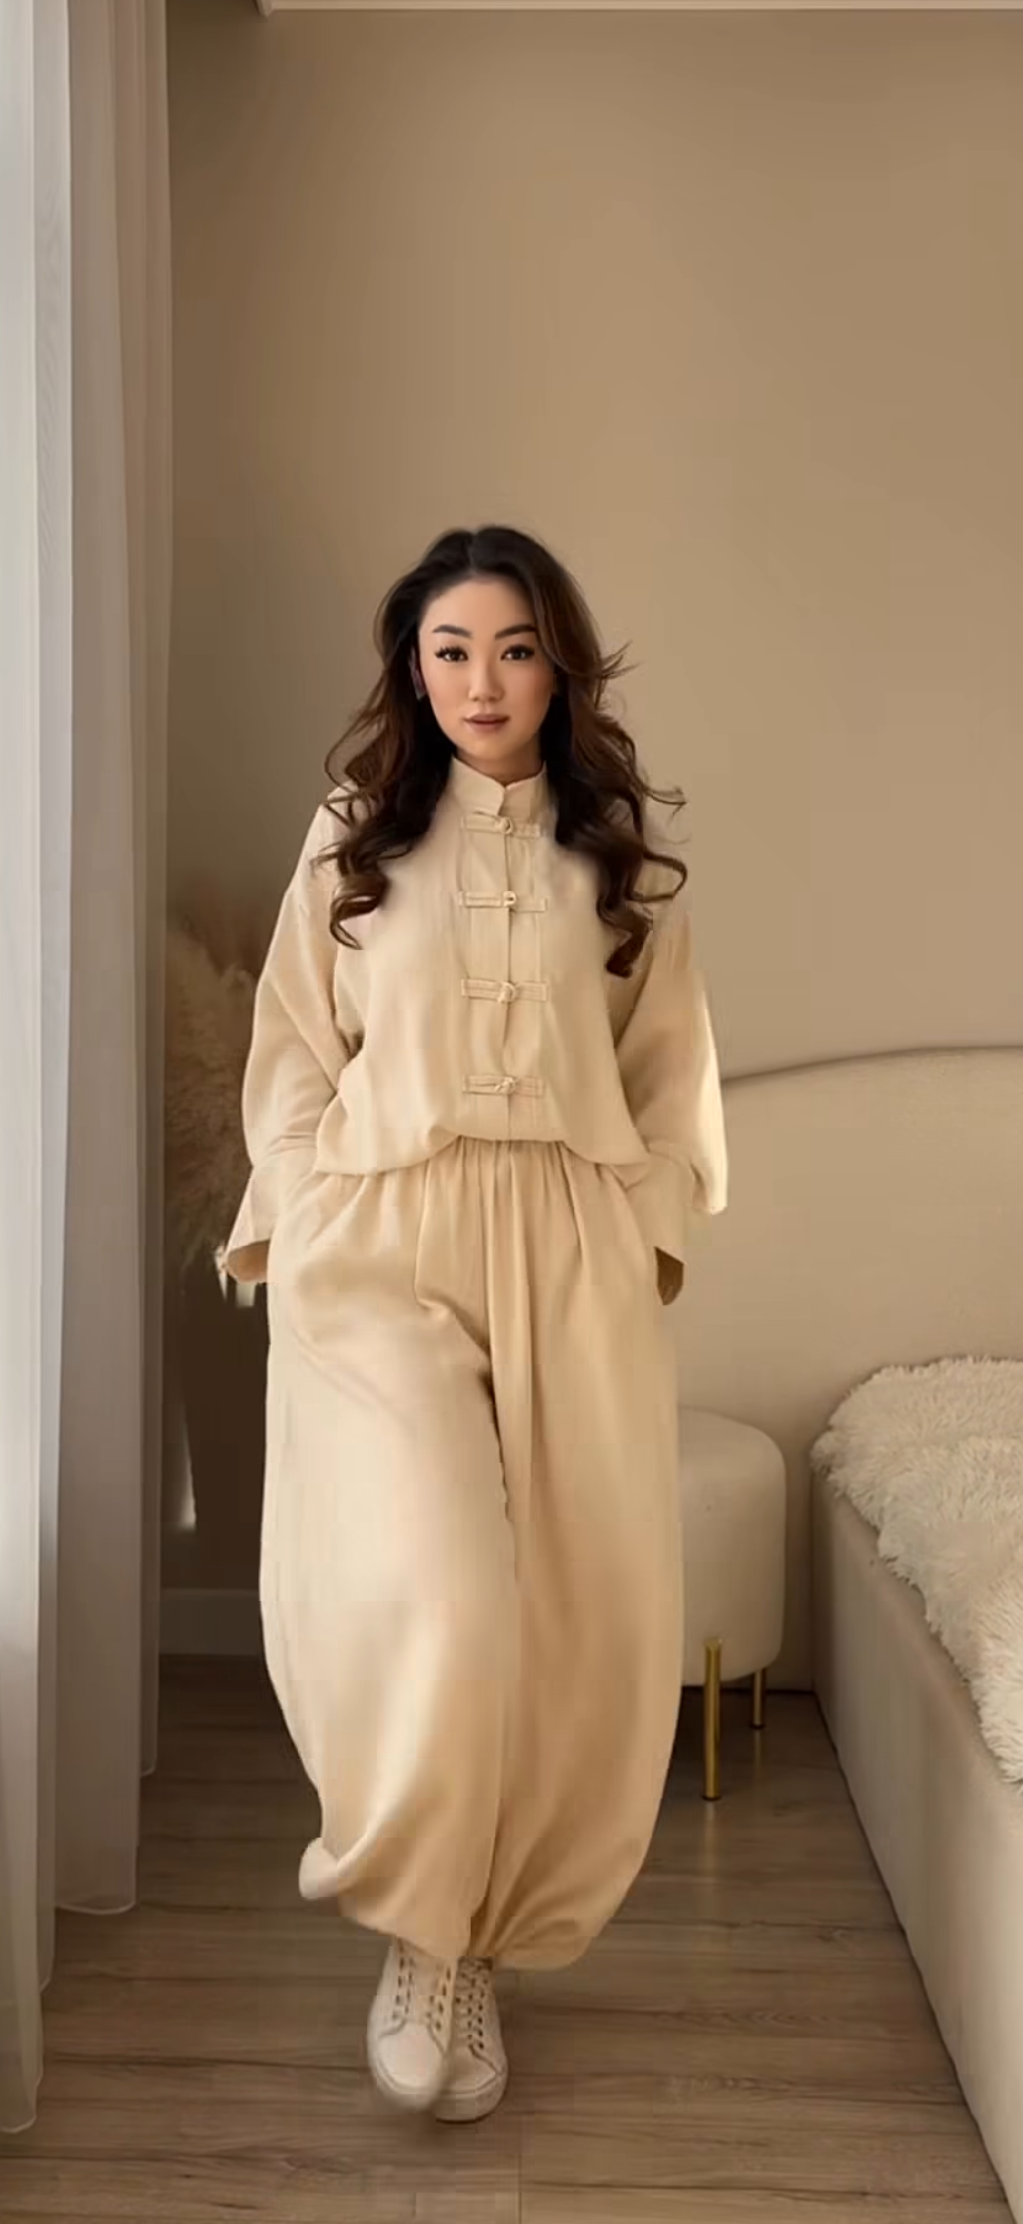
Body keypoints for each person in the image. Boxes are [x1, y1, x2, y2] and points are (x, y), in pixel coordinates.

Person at [225, 524, 728, 2123]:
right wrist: (305, 1209)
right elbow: (295, 1048)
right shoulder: (351, 839)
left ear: (556, 662)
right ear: (410, 666)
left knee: (572, 1624)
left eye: (510, 648)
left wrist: (635, 1226)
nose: (480, 682)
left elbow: (671, 1073)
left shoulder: (618, 858)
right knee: (441, 1597)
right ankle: (416, 1931)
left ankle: (479, 1951)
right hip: (385, 1236)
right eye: (449, 650)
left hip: (568, 1243)